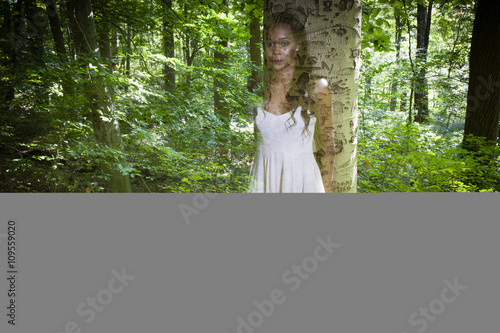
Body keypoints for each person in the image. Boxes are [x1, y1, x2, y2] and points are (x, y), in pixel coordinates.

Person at [248, 9, 332, 193]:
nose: (276, 51)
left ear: (298, 45)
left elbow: (328, 147)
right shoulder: (259, 91)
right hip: (264, 178)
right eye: (270, 44)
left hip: (302, 180)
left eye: (284, 43)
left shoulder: (317, 87)